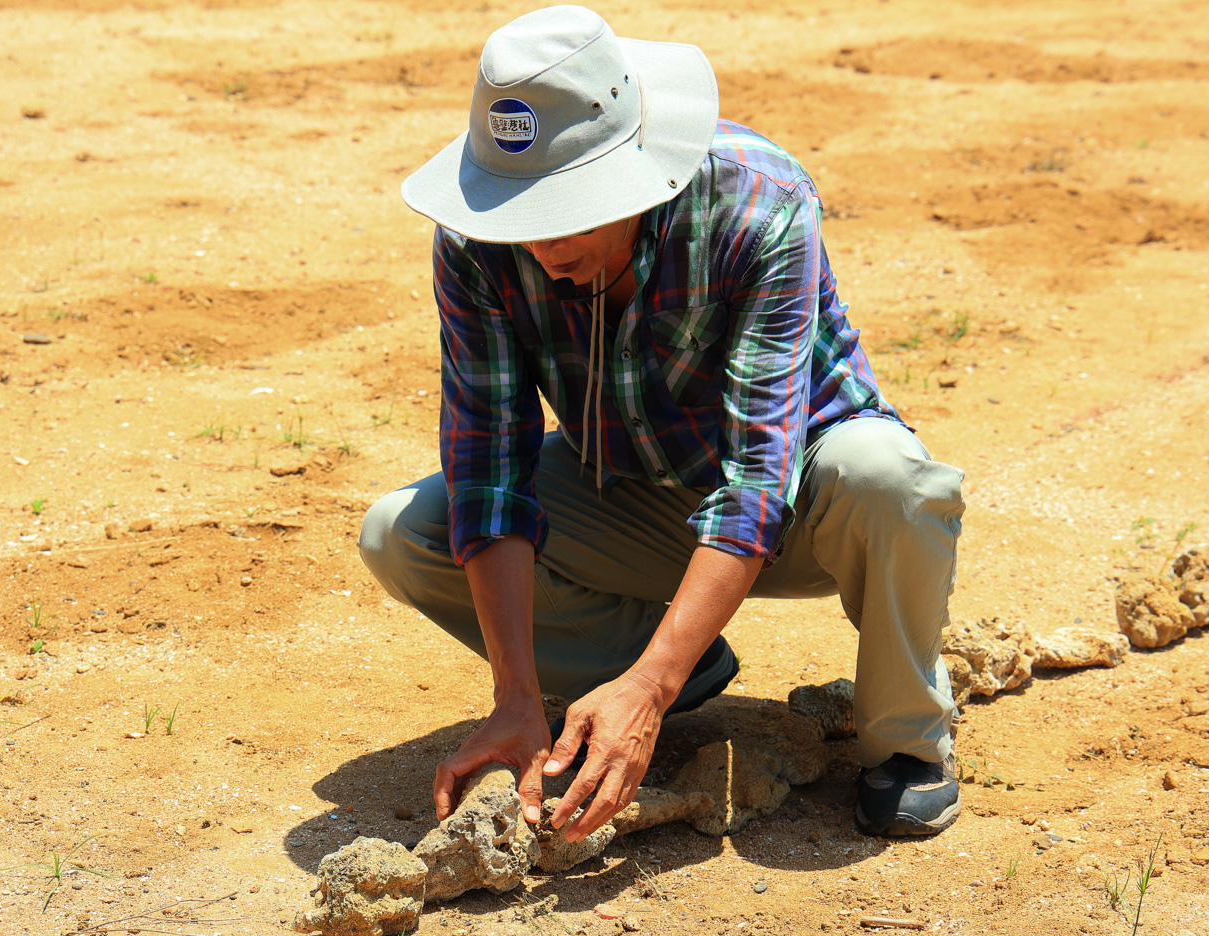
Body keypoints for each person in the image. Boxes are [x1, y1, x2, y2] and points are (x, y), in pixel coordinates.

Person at [358, 5, 965, 842]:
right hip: (634, 493)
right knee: (405, 533)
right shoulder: (474, 246)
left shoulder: (759, 204)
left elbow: (759, 478)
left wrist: (649, 692)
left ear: (633, 169)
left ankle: (907, 741)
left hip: (807, 502)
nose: (542, 246)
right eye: (520, 215)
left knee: (890, 481)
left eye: (568, 212)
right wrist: (516, 699)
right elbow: (489, 472)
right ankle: (663, 660)